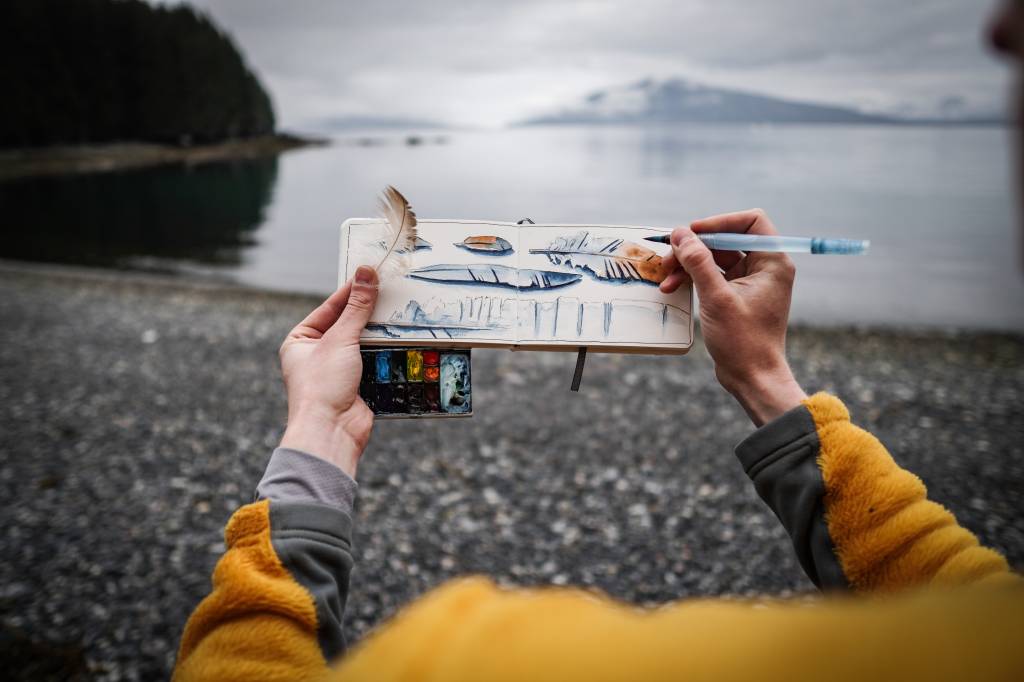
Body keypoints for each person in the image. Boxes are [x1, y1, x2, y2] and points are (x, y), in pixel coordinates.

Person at [172, 10, 1024, 680]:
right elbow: (945, 581)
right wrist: (764, 376)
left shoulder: (467, 659)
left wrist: (314, 437)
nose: (996, 33)